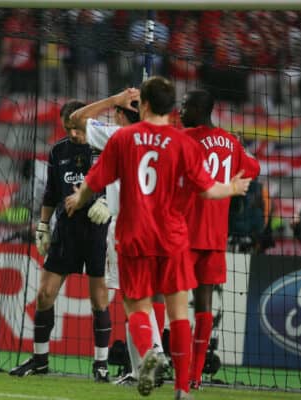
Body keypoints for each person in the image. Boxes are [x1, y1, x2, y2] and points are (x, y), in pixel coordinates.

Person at [65, 76, 252, 400]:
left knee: (137, 305)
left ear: (145, 105)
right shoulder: (184, 143)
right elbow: (208, 190)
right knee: (179, 312)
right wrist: (234, 188)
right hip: (174, 237)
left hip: (135, 234)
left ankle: (150, 352)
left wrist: (77, 200)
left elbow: (93, 183)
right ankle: (182, 389)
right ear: (171, 109)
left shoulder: (124, 139)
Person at [69, 88, 169, 387]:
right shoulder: (167, 140)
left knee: (132, 298)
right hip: (160, 228)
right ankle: (145, 366)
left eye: (117, 112)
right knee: (150, 296)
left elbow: (75, 119)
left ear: (123, 113)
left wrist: (114, 99)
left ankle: (152, 351)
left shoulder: (117, 136)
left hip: (126, 225)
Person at [9, 101, 113, 382]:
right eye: (68, 128)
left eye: (77, 128)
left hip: (97, 231)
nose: (74, 134)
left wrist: (108, 203)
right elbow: (52, 192)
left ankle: (101, 365)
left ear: (88, 124)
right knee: (44, 295)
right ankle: (40, 360)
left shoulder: (105, 145)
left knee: (98, 299)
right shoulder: (58, 150)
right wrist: (43, 226)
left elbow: (123, 183)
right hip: (65, 232)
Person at [179, 89, 260, 390]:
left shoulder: (185, 138)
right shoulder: (230, 141)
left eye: (185, 105)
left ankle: (163, 362)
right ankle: (195, 375)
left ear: (200, 109)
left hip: (185, 232)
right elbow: (254, 168)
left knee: (166, 298)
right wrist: (238, 151)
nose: (180, 110)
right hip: (214, 236)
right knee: (204, 304)